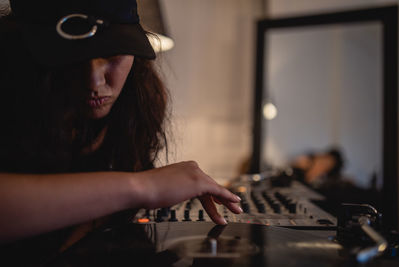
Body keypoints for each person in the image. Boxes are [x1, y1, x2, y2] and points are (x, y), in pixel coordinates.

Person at [0, 0, 242, 264]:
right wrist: (145, 186)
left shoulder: (138, 99)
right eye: (70, 56)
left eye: (112, 54)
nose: (94, 81)